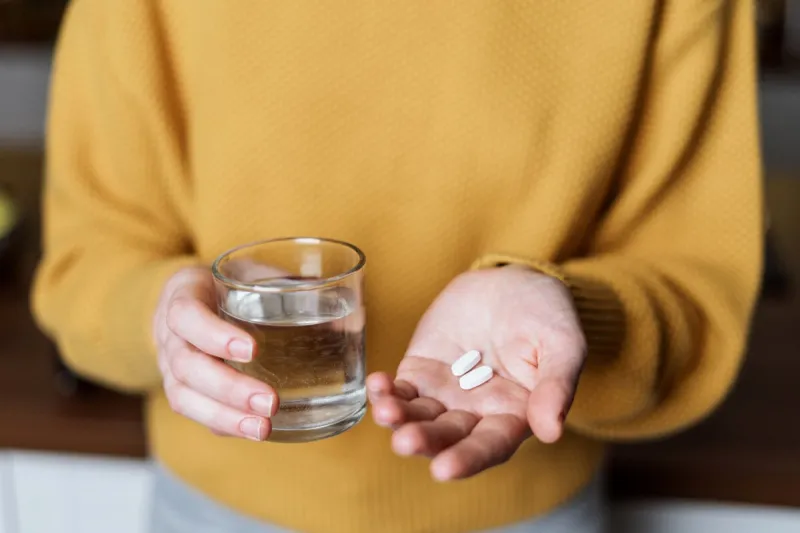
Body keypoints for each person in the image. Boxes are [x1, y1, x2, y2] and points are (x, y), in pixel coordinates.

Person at [31, 1, 763, 532]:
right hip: (214, 512)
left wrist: (566, 311)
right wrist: (163, 316)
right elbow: (85, 262)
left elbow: (697, 295)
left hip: (527, 514)